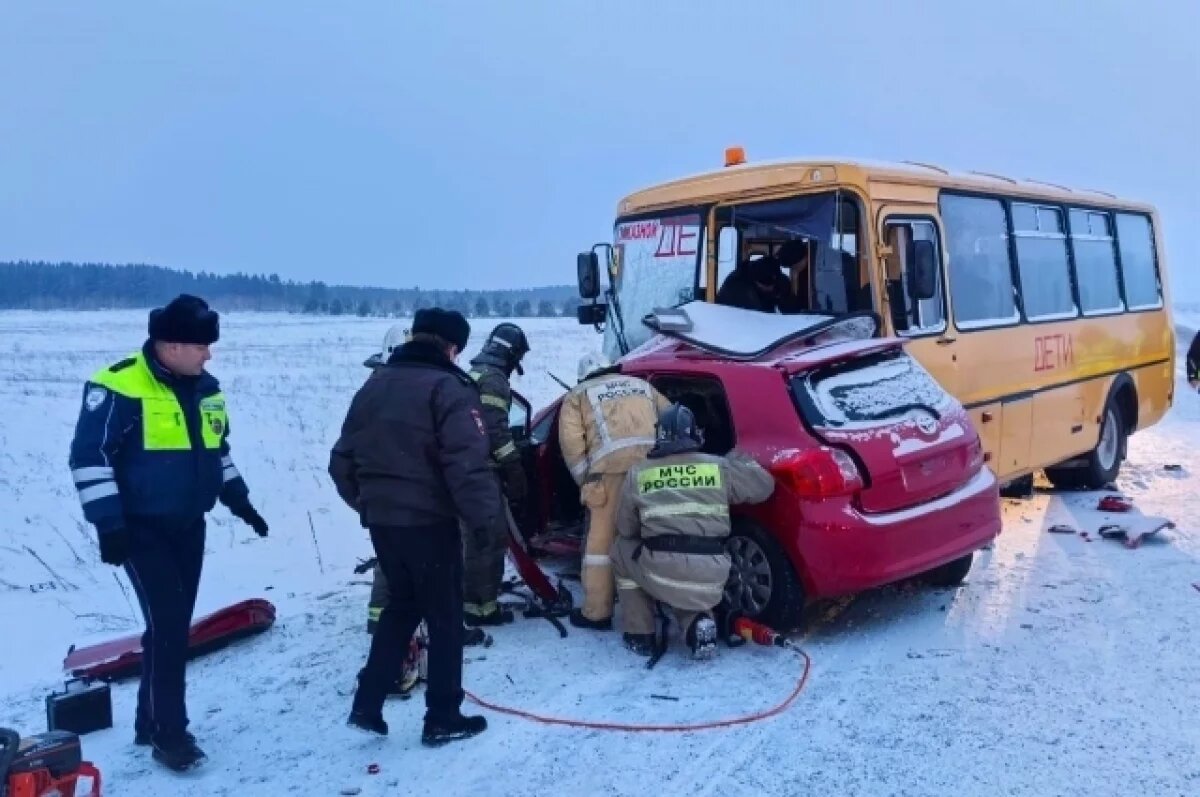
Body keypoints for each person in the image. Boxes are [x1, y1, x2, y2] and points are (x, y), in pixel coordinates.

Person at [67, 294, 269, 772]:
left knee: (168, 626)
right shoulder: (117, 386)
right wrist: (110, 525)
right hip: (139, 530)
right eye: (202, 345)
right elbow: (89, 459)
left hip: (187, 527)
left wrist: (240, 501)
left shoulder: (206, 388)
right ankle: (169, 734)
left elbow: (217, 451)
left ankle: (147, 720)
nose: (209, 354)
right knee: (171, 625)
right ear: (170, 345)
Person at [330, 307, 497, 746]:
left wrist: (370, 504)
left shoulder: (375, 385)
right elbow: (468, 467)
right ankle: (443, 716)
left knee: (400, 607)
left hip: (384, 523)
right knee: (444, 618)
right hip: (429, 523)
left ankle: (367, 704)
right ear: (452, 347)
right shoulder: (450, 389)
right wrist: (484, 523)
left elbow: (340, 462)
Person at [610, 404, 774, 659]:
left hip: (661, 569)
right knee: (687, 587)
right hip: (712, 572)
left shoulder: (639, 473)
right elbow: (765, 487)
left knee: (621, 550)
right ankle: (696, 626)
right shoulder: (718, 468)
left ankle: (640, 634)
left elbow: (625, 528)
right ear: (694, 434)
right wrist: (740, 457)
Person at [558, 352, 669, 631]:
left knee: (601, 547)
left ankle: (597, 613)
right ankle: (661, 604)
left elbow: (571, 445)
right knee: (652, 537)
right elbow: (672, 419)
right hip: (652, 470)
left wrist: (588, 480)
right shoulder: (642, 386)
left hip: (609, 475)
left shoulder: (577, 395)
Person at [463, 323, 531, 626]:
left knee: (473, 540)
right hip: (482, 472)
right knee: (489, 540)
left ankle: (474, 597)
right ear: (511, 354)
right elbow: (496, 433)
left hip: (464, 470)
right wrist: (514, 468)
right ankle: (481, 608)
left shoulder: (473, 373)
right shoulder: (493, 381)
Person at [716, 253, 804, 313]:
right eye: (769, 286)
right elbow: (757, 318)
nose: (772, 288)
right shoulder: (736, 287)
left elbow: (790, 309)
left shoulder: (780, 280)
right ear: (757, 282)